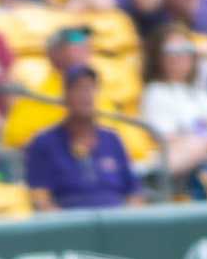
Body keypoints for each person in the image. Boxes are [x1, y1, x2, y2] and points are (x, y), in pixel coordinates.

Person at [22, 64, 142, 210]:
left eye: (90, 88)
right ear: (66, 95)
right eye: (78, 88)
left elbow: (134, 192)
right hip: (68, 222)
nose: (86, 95)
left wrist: (127, 221)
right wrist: (65, 226)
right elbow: (39, 197)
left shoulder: (112, 140)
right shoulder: (44, 142)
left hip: (115, 220)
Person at [139, 24, 207, 193]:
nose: (181, 56)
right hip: (190, 172)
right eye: (172, 50)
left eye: (185, 49)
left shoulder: (200, 87)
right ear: (158, 56)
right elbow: (167, 141)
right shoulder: (156, 92)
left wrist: (191, 47)